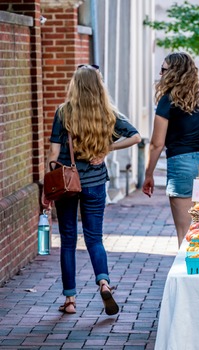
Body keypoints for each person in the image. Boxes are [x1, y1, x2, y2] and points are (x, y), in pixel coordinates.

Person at [42, 65, 141, 315]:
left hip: (67, 184)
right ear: (99, 85)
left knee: (67, 240)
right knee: (94, 238)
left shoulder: (63, 112)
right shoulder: (107, 112)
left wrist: (46, 187)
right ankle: (104, 282)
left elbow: (53, 153)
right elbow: (136, 137)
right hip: (95, 182)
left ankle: (70, 300)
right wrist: (107, 149)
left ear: (75, 84)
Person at [142, 52, 199, 246]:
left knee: (185, 233)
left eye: (163, 69)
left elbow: (157, 143)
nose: (160, 74)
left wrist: (149, 174)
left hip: (182, 165)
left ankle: (187, 273)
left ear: (174, 73)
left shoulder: (167, 102)